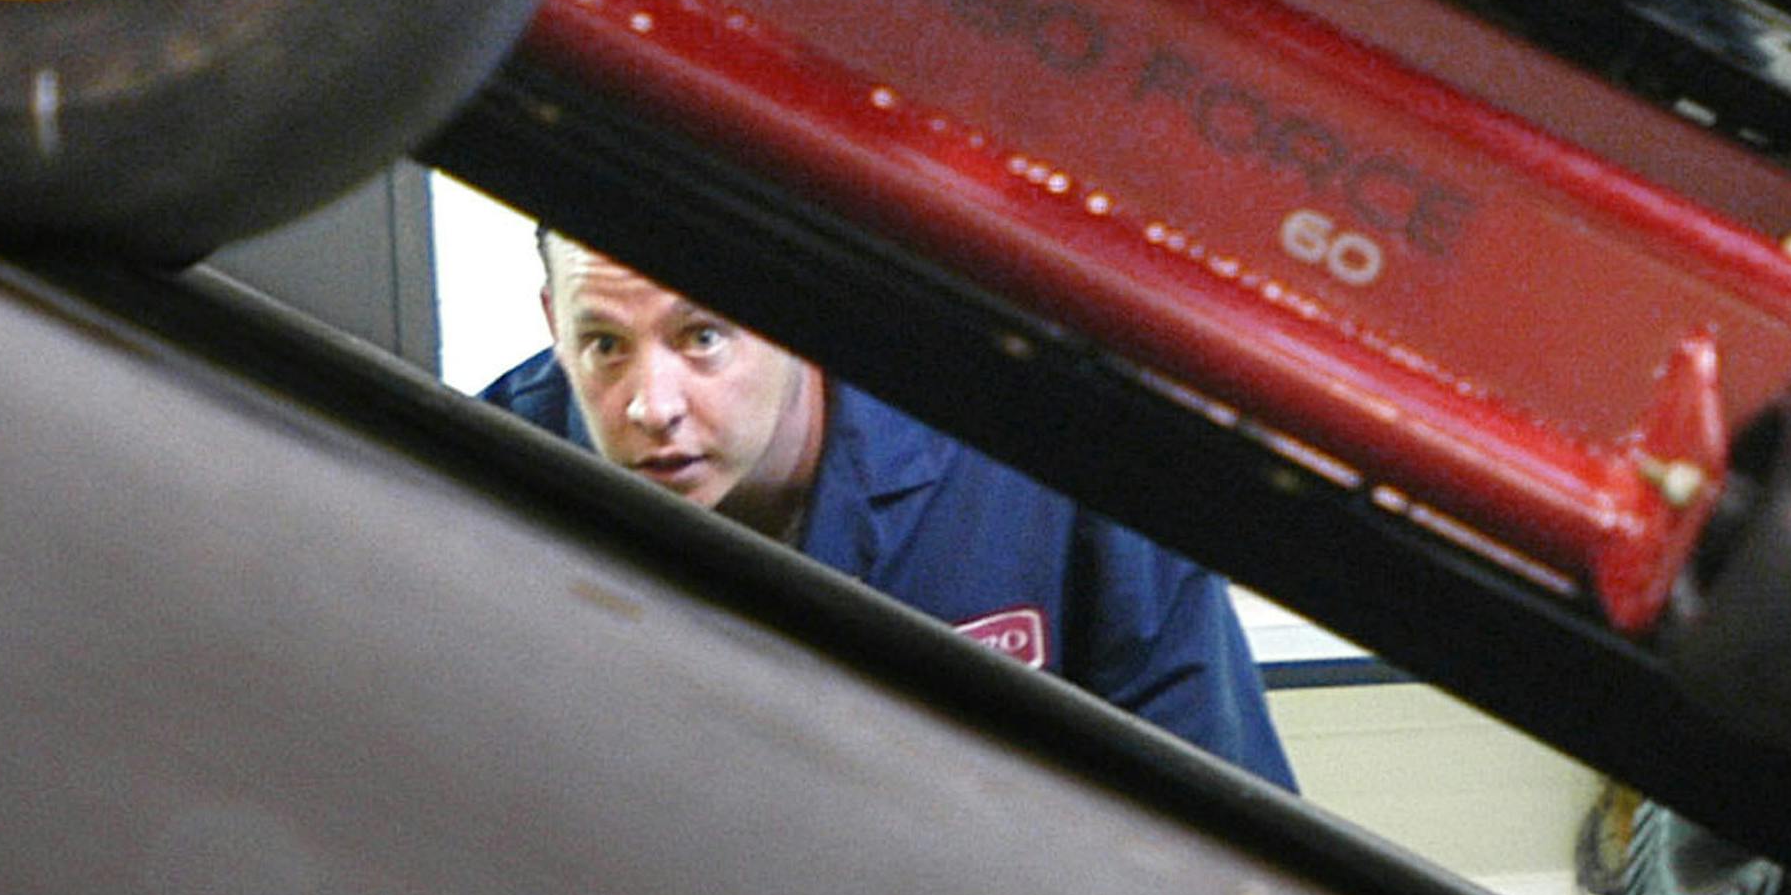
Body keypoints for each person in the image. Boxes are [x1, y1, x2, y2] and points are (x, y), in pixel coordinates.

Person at [482, 228, 1295, 788]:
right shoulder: (486, 479)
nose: (651, 406)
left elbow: (1224, 832)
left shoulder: (1045, 445)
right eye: (604, 345)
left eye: (702, 336)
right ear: (555, 323)